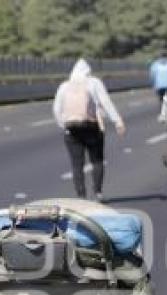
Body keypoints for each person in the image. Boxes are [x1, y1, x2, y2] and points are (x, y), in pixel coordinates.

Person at [52, 58, 125, 202]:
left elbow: (56, 109)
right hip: (92, 127)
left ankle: (81, 195)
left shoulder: (64, 86)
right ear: (88, 71)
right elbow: (105, 102)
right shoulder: (94, 83)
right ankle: (98, 192)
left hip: (71, 129)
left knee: (76, 164)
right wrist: (118, 121)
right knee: (97, 160)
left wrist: (65, 125)